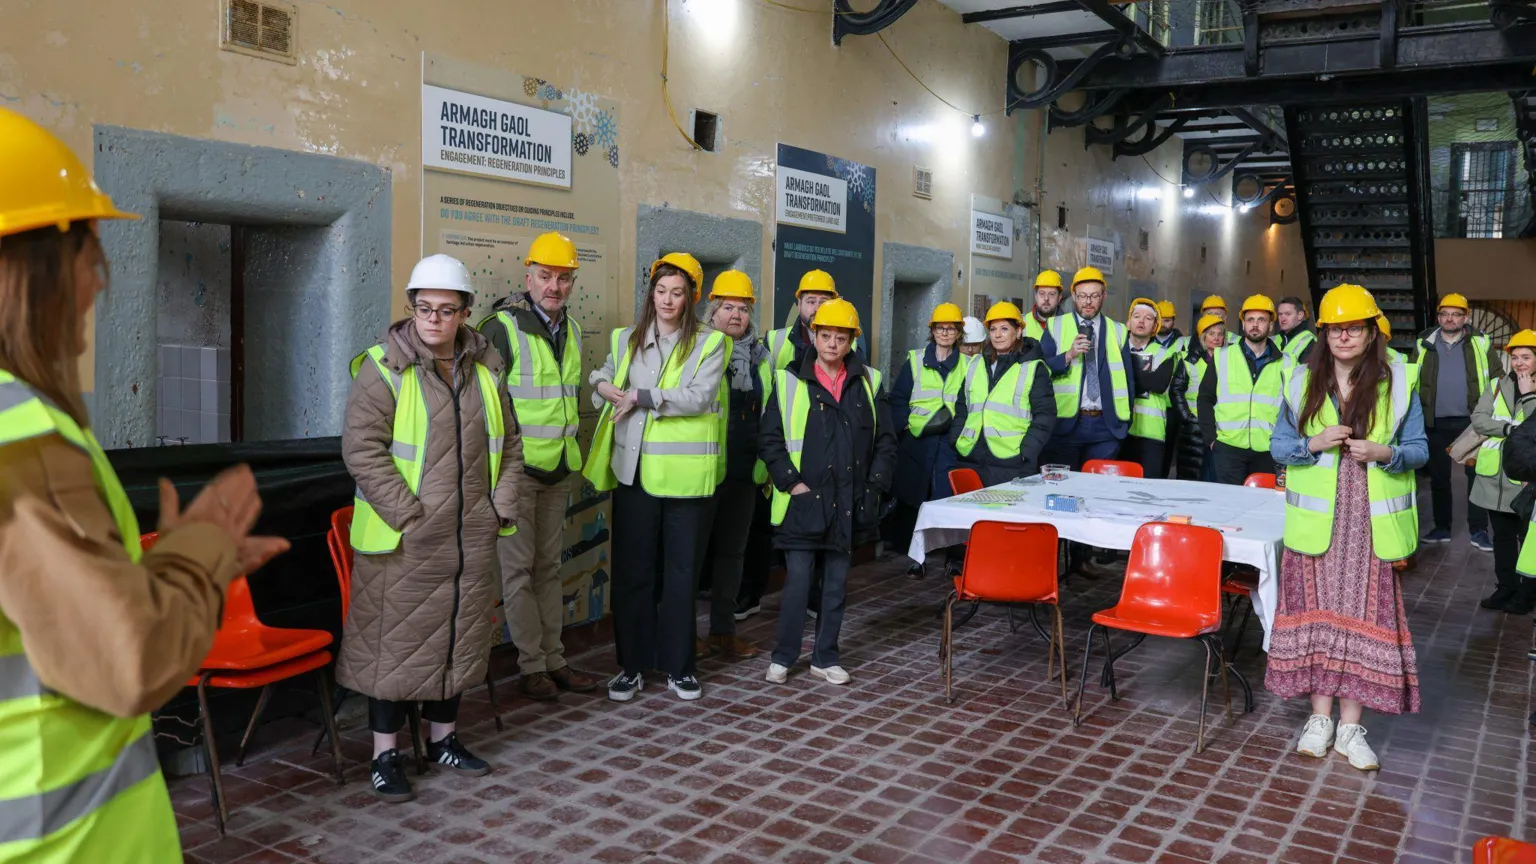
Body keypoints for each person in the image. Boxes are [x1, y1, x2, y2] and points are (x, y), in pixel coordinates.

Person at [0, 107, 289, 861]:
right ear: (33, 268)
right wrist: (201, 549)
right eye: (89, 253)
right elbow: (126, 658)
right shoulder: (19, 441)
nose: (99, 283)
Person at [341, 253, 523, 801]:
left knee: (456, 642)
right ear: (411, 309)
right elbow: (361, 450)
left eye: (447, 310)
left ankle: (444, 740)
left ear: (466, 313)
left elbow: (510, 445)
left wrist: (501, 507)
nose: (435, 320)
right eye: (425, 309)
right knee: (391, 651)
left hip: (469, 536)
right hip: (404, 541)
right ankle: (385, 755)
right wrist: (409, 514)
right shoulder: (383, 368)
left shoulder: (486, 372)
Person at [1267, 283, 1427, 771]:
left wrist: (1386, 453)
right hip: (1316, 527)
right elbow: (1277, 446)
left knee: (1362, 620)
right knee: (1317, 618)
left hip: (1369, 528)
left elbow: (1419, 449)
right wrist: (1311, 444)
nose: (1344, 337)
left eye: (1354, 328)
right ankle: (1319, 720)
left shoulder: (1398, 382)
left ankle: (1352, 730)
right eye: (1336, 329)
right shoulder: (1299, 382)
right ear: (1324, 335)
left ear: (1371, 332)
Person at [588, 253, 725, 703]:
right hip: (634, 473)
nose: (668, 300)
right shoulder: (626, 337)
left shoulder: (709, 343)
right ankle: (631, 667)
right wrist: (604, 386)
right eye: (661, 291)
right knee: (632, 573)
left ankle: (680, 667)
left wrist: (641, 396)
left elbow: (698, 397)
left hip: (684, 479)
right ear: (652, 293)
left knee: (682, 573)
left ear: (691, 298)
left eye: (678, 293)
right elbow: (606, 375)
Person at [478, 231, 599, 702]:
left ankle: (555, 659)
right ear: (528, 276)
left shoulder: (569, 328)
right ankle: (532, 667)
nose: (554, 286)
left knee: (549, 567)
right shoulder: (500, 328)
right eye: (545, 276)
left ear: (572, 282)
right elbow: (486, 408)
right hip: (516, 475)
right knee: (518, 572)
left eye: (563, 278)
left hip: (556, 470)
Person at [759, 299, 896, 686]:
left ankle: (825, 656)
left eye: (841, 337)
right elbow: (770, 441)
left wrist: (875, 487)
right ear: (813, 336)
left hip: (849, 501)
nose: (832, 344)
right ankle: (784, 657)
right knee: (798, 582)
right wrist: (793, 484)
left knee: (836, 583)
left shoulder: (871, 381)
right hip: (803, 500)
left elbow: (886, 442)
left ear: (852, 340)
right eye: (825, 335)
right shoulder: (788, 379)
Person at [694, 270, 768, 658]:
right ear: (712, 310)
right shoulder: (697, 349)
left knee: (732, 553)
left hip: (744, 469)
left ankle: (722, 631)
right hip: (704, 467)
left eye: (742, 308)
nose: (736, 315)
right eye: (727, 307)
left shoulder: (760, 355)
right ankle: (684, 633)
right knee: (692, 553)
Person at [1409, 293, 1500, 550]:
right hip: (1434, 423)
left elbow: (1498, 378)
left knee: (1476, 476)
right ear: (1438, 317)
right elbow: (1409, 378)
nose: (1450, 319)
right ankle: (1442, 528)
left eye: (1456, 314)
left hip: (1470, 424)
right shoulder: (1423, 343)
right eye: (1445, 314)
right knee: (1439, 479)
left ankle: (1478, 530)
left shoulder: (1480, 343)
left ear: (1465, 317)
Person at [888, 302, 969, 577]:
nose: (945, 333)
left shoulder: (970, 366)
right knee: (917, 503)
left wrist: (959, 436)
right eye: (940, 327)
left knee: (951, 501)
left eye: (951, 328)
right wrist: (905, 431)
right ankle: (917, 560)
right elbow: (898, 400)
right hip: (919, 444)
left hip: (951, 443)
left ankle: (954, 558)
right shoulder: (915, 360)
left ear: (959, 333)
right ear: (931, 331)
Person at [948, 301, 1057, 485]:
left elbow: (1045, 416)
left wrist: (1026, 452)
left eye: (1005, 329)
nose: (997, 335)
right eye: (993, 329)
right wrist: (956, 439)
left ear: (1019, 331)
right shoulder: (976, 364)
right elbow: (962, 406)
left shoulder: (1033, 368)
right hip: (970, 457)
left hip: (1012, 462)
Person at [1039, 267, 1136, 468]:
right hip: (1065, 425)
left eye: (1094, 296)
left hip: (1106, 426)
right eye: (1082, 296)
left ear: (1104, 296)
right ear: (1073, 296)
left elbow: (1128, 380)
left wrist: (1124, 423)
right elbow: (1039, 371)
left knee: (1098, 490)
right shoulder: (1055, 326)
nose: (1088, 302)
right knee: (1065, 491)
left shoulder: (1118, 331)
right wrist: (1068, 355)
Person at [1470, 329, 1536, 613]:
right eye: (1515, 357)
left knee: (1529, 540)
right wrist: (1510, 429)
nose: (1519, 363)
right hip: (1493, 479)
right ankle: (1505, 587)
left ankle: (1526, 593)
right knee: (1503, 538)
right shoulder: (1496, 385)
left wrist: (1529, 394)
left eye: (1526, 357)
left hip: (1524, 480)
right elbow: (1479, 419)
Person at [1199, 294, 1293, 485]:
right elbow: (1205, 399)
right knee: (1227, 507)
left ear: (1271, 325)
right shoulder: (1222, 356)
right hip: (1228, 448)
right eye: (1250, 319)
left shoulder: (1287, 362)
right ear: (1243, 324)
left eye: (1261, 320)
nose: (1255, 325)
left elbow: (1294, 407)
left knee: (1262, 508)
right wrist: (1211, 439)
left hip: (1268, 450)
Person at [1122, 297, 1178, 479]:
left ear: (1155, 326)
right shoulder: (1116, 349)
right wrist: (1146, 375)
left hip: (1151, 435)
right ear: (1128, 322)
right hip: (1119, 430)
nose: (1141, 321)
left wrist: (1126, 370)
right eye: (1137, 316)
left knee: (1148, 491)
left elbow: (1158, 384)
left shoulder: (1166, 353)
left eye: (1148, 318)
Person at [765, 269, 860, 370]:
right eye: (811, 302)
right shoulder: (774, 341)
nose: (817, 309)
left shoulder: (850, 344)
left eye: (823, 302)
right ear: (799, 304)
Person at [1172, 314, 1226, 481]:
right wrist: (1187, 417)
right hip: (1194, 428)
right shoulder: (1189, 361)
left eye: (1220, 334)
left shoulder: (1230, 360)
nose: (1216, 338)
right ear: (1203, 337)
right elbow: (1176, 390)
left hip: (1221, 427)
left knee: (1216, 475)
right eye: (1211, 334)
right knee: (1191, 474)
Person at [1024, 270, 1064, 341]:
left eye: (1051, 294)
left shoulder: (1070, 324)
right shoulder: (1022, 323)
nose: (1046, 298)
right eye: (1042, 293)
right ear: (1036, 296)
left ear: (1059, 298)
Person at [1277, 296, 1317, 363]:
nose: (1282, 319)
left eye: (1288, 314)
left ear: (1300, 315)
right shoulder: (1276, 339)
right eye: (1280, 314)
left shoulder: (1310, 341)